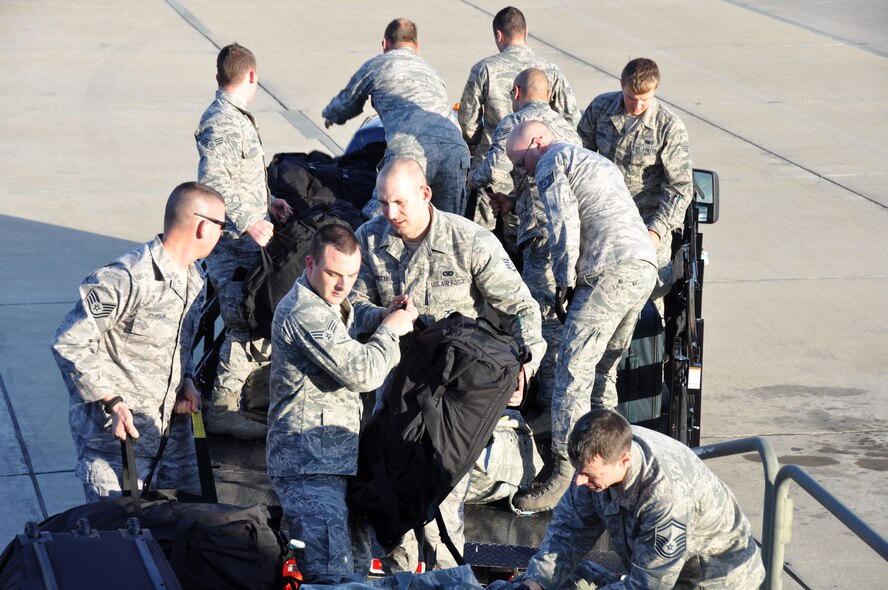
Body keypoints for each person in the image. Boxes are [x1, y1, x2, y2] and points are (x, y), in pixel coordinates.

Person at [350, 158, 546, 572]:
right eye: (383, 202)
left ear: (425, 194)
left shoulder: (468, 241)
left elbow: (521, 308)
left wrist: (524, 365)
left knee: (441, 514)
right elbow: (351, 306)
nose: (390, 213)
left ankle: (448, 579)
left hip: (450, 405)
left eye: (399, 203)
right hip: (393, 400)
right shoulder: (368, 239)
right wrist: (385, 315)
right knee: (393, 516)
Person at [505, 120, 657, 512]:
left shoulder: (551, 161)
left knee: (572, 368)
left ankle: (564, 471)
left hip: (609, 269)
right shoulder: (592, 160)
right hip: (642, 266)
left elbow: (563, 222)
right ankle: (612, 466)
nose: (522, 172)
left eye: (520, 162)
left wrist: (564, 279)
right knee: (603, 370)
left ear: (538, 142)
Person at [52, 182, 226, 502]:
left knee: (190, 523)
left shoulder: (194, 279)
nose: (222, 234)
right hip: (118, 446)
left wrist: (187, 379)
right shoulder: (126, 277)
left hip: (171, 442)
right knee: (120, 531)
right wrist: (112, 402)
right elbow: (69, 343)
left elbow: (177, 345)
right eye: (221, 226)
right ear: (203, 227)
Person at [267, 224, 418, 584]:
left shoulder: (327, 301)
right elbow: (364, 372)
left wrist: (382, 314)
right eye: (334, 274)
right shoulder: (303, 312)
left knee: (355, 571)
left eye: (351, 276)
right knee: (329, 577)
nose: (342, 285)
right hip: (309, 467)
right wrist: (391, 331)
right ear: (310, 264)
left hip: (336, 463)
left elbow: (349, 313)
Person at [493, 410, 766, 589]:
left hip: (710, 582)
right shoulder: (600, 454)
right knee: (561, 579)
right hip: (659, 577)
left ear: (624, 461)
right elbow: (568, 533)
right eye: (578, 471)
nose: (578, 482)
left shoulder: (665, 497)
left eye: (587, 474)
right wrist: (535, 583)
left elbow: (649, 586)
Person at [469, 67, 580, 437]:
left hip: (540, 239)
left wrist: (472, 178)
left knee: (542, 320)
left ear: (516, 93)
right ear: (549, 94)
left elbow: (492, 170)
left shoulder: (516, 124)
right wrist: (513, 201)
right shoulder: (567, 128)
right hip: (569, 236)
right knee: (562, 317)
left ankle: (548, 408)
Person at [195, 42, 292, 439]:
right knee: (245, 326)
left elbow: (241, 176)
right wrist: (250, 220)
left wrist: (268, 203)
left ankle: (237, 398)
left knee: (253, 322)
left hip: (247, 243)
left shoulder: (235, 116)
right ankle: (222, 408)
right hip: (234, 248)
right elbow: (213, 183)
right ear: (252, 75)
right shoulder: (222, 121)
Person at [577, 58, 693, 310]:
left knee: (649, 294)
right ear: (622, 84)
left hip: (647, 222)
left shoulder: (668, 127)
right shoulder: (601, 108)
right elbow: (579, 157)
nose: (637, 105)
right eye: (631, 98)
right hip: (603, 216)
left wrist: (657, 231)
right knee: (592, 288)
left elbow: (680, 188)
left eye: (645, 99)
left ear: (655, 90)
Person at [323, 18, 470, 216]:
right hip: (455, 148)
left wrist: (331, 115)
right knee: (447, 223)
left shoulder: (378, 65)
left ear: (385, 44)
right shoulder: (431, 70)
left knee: (383, 215)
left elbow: (347, 101)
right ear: (417, 46)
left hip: (411, 149)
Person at [459, 6, 579, 229]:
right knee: (529, 237)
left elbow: (468, 122)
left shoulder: (484, 69)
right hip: (535, 174)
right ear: (526, 32)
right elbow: (570, 120)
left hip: (490, 173)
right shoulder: (551, 70)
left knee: (482, 239)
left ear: (499, 35)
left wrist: (476, 151)